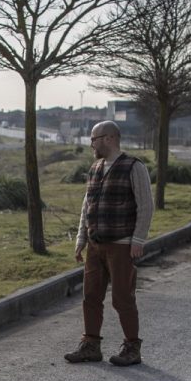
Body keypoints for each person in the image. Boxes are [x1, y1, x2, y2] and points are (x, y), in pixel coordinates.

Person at [65, 121, 153, 366]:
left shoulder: (134, 167)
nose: (91, 144)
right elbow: (87, 206)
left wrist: (137, 240)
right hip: (95, 244)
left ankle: (132, 348)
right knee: (90, 296)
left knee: (123, 298)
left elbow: (146, 206)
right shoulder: (95, 168)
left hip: (122, 245)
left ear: (109, 138)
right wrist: (81, 239)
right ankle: (90, 345)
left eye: (94, 139)